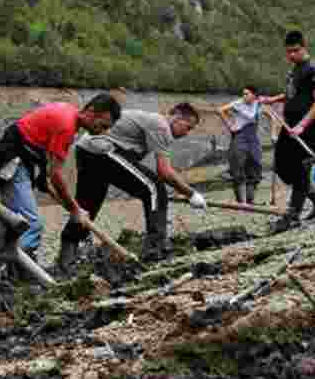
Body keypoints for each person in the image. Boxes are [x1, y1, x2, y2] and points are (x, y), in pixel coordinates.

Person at [0, 93, 122, 278]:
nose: (102, 131)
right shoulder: (66, 126)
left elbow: (42, 160)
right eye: (103, 125)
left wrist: (69, 205)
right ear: (91, 112)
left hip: (22, 161)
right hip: (14, 163)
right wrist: (75, 209)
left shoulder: (68, 112)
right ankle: (3, 273)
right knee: (30, 226)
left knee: (10, 225)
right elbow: (55, 174)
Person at [57, 102, 207, 270]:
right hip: (102, 148)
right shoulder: (161, 126)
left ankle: (66, 259)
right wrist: (192, 194)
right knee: (154, 189)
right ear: (176, 116)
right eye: (188, 127)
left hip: (87, 150)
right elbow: (164, 172)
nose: (187, 133)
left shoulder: (151, 123)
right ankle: (156, 250)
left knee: (86, 207)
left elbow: (132, 166)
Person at [259, 30, 315, 233]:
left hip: (307, 129)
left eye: (295, 51)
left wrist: (302, 125)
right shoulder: (294, 70)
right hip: (289, 126)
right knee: (282, 166)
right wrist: (272, 100)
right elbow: (292, 94)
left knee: (300, 169)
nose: (291, 55)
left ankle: (293, 215)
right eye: (288, 52)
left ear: (304, 46)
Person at [218, 86, 262, 205]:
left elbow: (272, 116)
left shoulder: (258, 105)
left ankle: (250, 200)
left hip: (253, 138)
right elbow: (221, 110)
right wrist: (229, 125)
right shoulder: (238, 104)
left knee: (255, 165)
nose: (244, 96)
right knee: (237, 166)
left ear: (254, 95)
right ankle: (239, 202)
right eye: (243, 94)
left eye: (247, 94)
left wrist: (273, 134)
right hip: (239, 136)